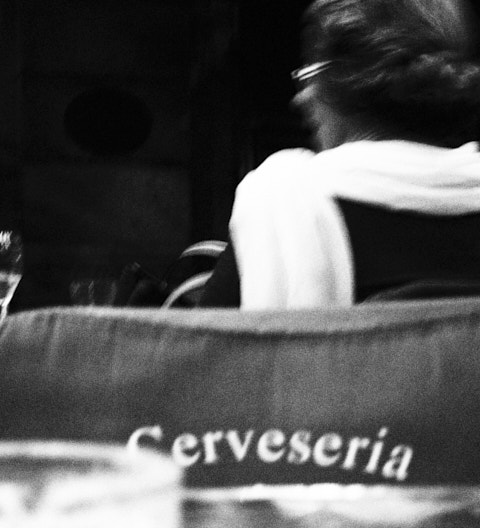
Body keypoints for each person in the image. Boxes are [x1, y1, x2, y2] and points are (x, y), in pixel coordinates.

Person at [198, 0, 480, 309]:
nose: (301, 98)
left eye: (310, 75)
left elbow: (200, 339)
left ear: (351, 77)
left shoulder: (285, 199)